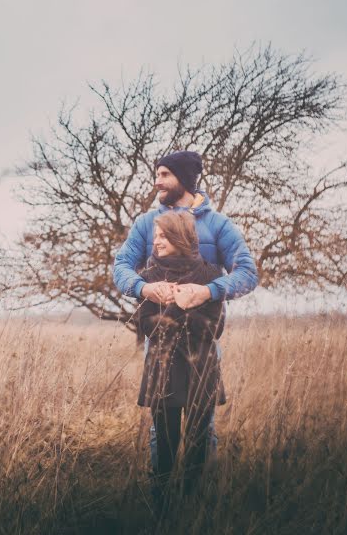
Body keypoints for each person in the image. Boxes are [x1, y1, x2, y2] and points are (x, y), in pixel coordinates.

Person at [112, 150, 258, 472]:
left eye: (164, 174)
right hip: (161, 346)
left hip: (202, 344)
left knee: (202, 431)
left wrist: (208, 291)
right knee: (160, 434)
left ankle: (199, 505)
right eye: (157, 174)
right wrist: (143, 288)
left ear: (185, 179)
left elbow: (248, 274)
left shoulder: (219, 225)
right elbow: (121, 266)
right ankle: (163, 504)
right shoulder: (146, 223)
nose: (157, 181)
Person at [136, 211, 226, 497]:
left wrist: (183, 304)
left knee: (199, 440)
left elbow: (215, 328)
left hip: (201, 369)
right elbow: (145, 325)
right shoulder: (149, 277)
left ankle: (192, 499)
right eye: (156, 236)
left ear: (180, 237)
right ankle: (161, 502)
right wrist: (175, 306)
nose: (156, 241)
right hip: (163, 368)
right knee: (164, 441)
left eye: (163, 236)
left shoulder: (211, 275)